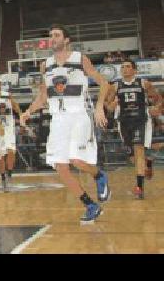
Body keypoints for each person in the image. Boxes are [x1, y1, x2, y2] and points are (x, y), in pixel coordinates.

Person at [20, 24, 111, 224]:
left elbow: (104, 83)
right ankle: (90, 205)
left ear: (66, 40)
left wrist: (99, 107)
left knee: (77, 160)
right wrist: (28, 111)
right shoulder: (47, 65)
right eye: (50, 35)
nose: (52, 38)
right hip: (58, 119)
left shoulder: (80, 59)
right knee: (61, 167)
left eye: (56, 35)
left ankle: (99, 175)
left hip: (78, 115)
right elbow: (43, 96)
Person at [104, 60, 162, 199]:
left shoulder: (144, 83)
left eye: (128, 66)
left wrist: (157, 108)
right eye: (122, 67)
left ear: (135, 70)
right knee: (132, 158)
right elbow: (109, 106)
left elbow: (158, 99)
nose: (124, 69)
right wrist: (112, 104)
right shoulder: (115, 86)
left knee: (138, 149)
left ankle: (139, 188)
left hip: (141, 120)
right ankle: (147, 163)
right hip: (124, 122)